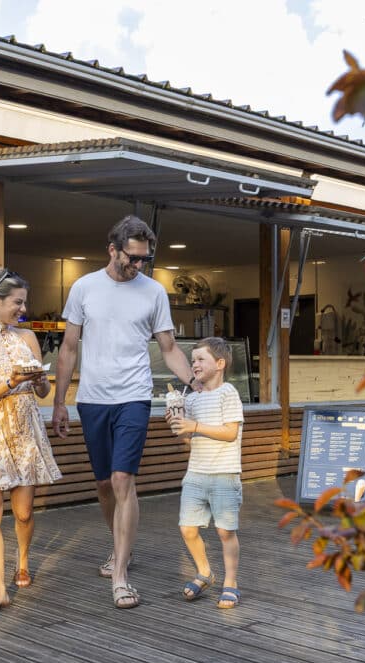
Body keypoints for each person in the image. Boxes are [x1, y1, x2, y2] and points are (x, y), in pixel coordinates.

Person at [51, 215, 195, 609]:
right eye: (132, 258)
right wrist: (60, 402)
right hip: (93, 399)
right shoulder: (84, 288)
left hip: (134, 396)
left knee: (122, 478)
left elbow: (169, 348)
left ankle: (120, 577)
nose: (139, 265)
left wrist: (194, 382)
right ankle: (120, 548)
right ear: (112, 250)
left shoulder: (154, 292)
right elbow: (68, 348)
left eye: (145, 259)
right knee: (103, 484)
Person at [0, 267, 61, 616]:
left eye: (24, 302)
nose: (23, 309)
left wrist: (39, 382)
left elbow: (43, 391)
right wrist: (11, 381)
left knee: (24, 512)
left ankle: (23, 560)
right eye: (17, 302)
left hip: (24, 429)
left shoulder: (28, 337)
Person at [167, 337, 244, 609]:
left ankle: (231, 582)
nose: (194, 364)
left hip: (224, 473)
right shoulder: (191, 399)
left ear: (220, 364)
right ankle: (204, 573)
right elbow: (189, 438)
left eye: (201, 359)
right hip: (196, 473)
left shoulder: (228, 393)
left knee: (225, 532)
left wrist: (195, 426)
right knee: (187, 529)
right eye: (193, 359)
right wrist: (179, 426)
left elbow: (230, 432)